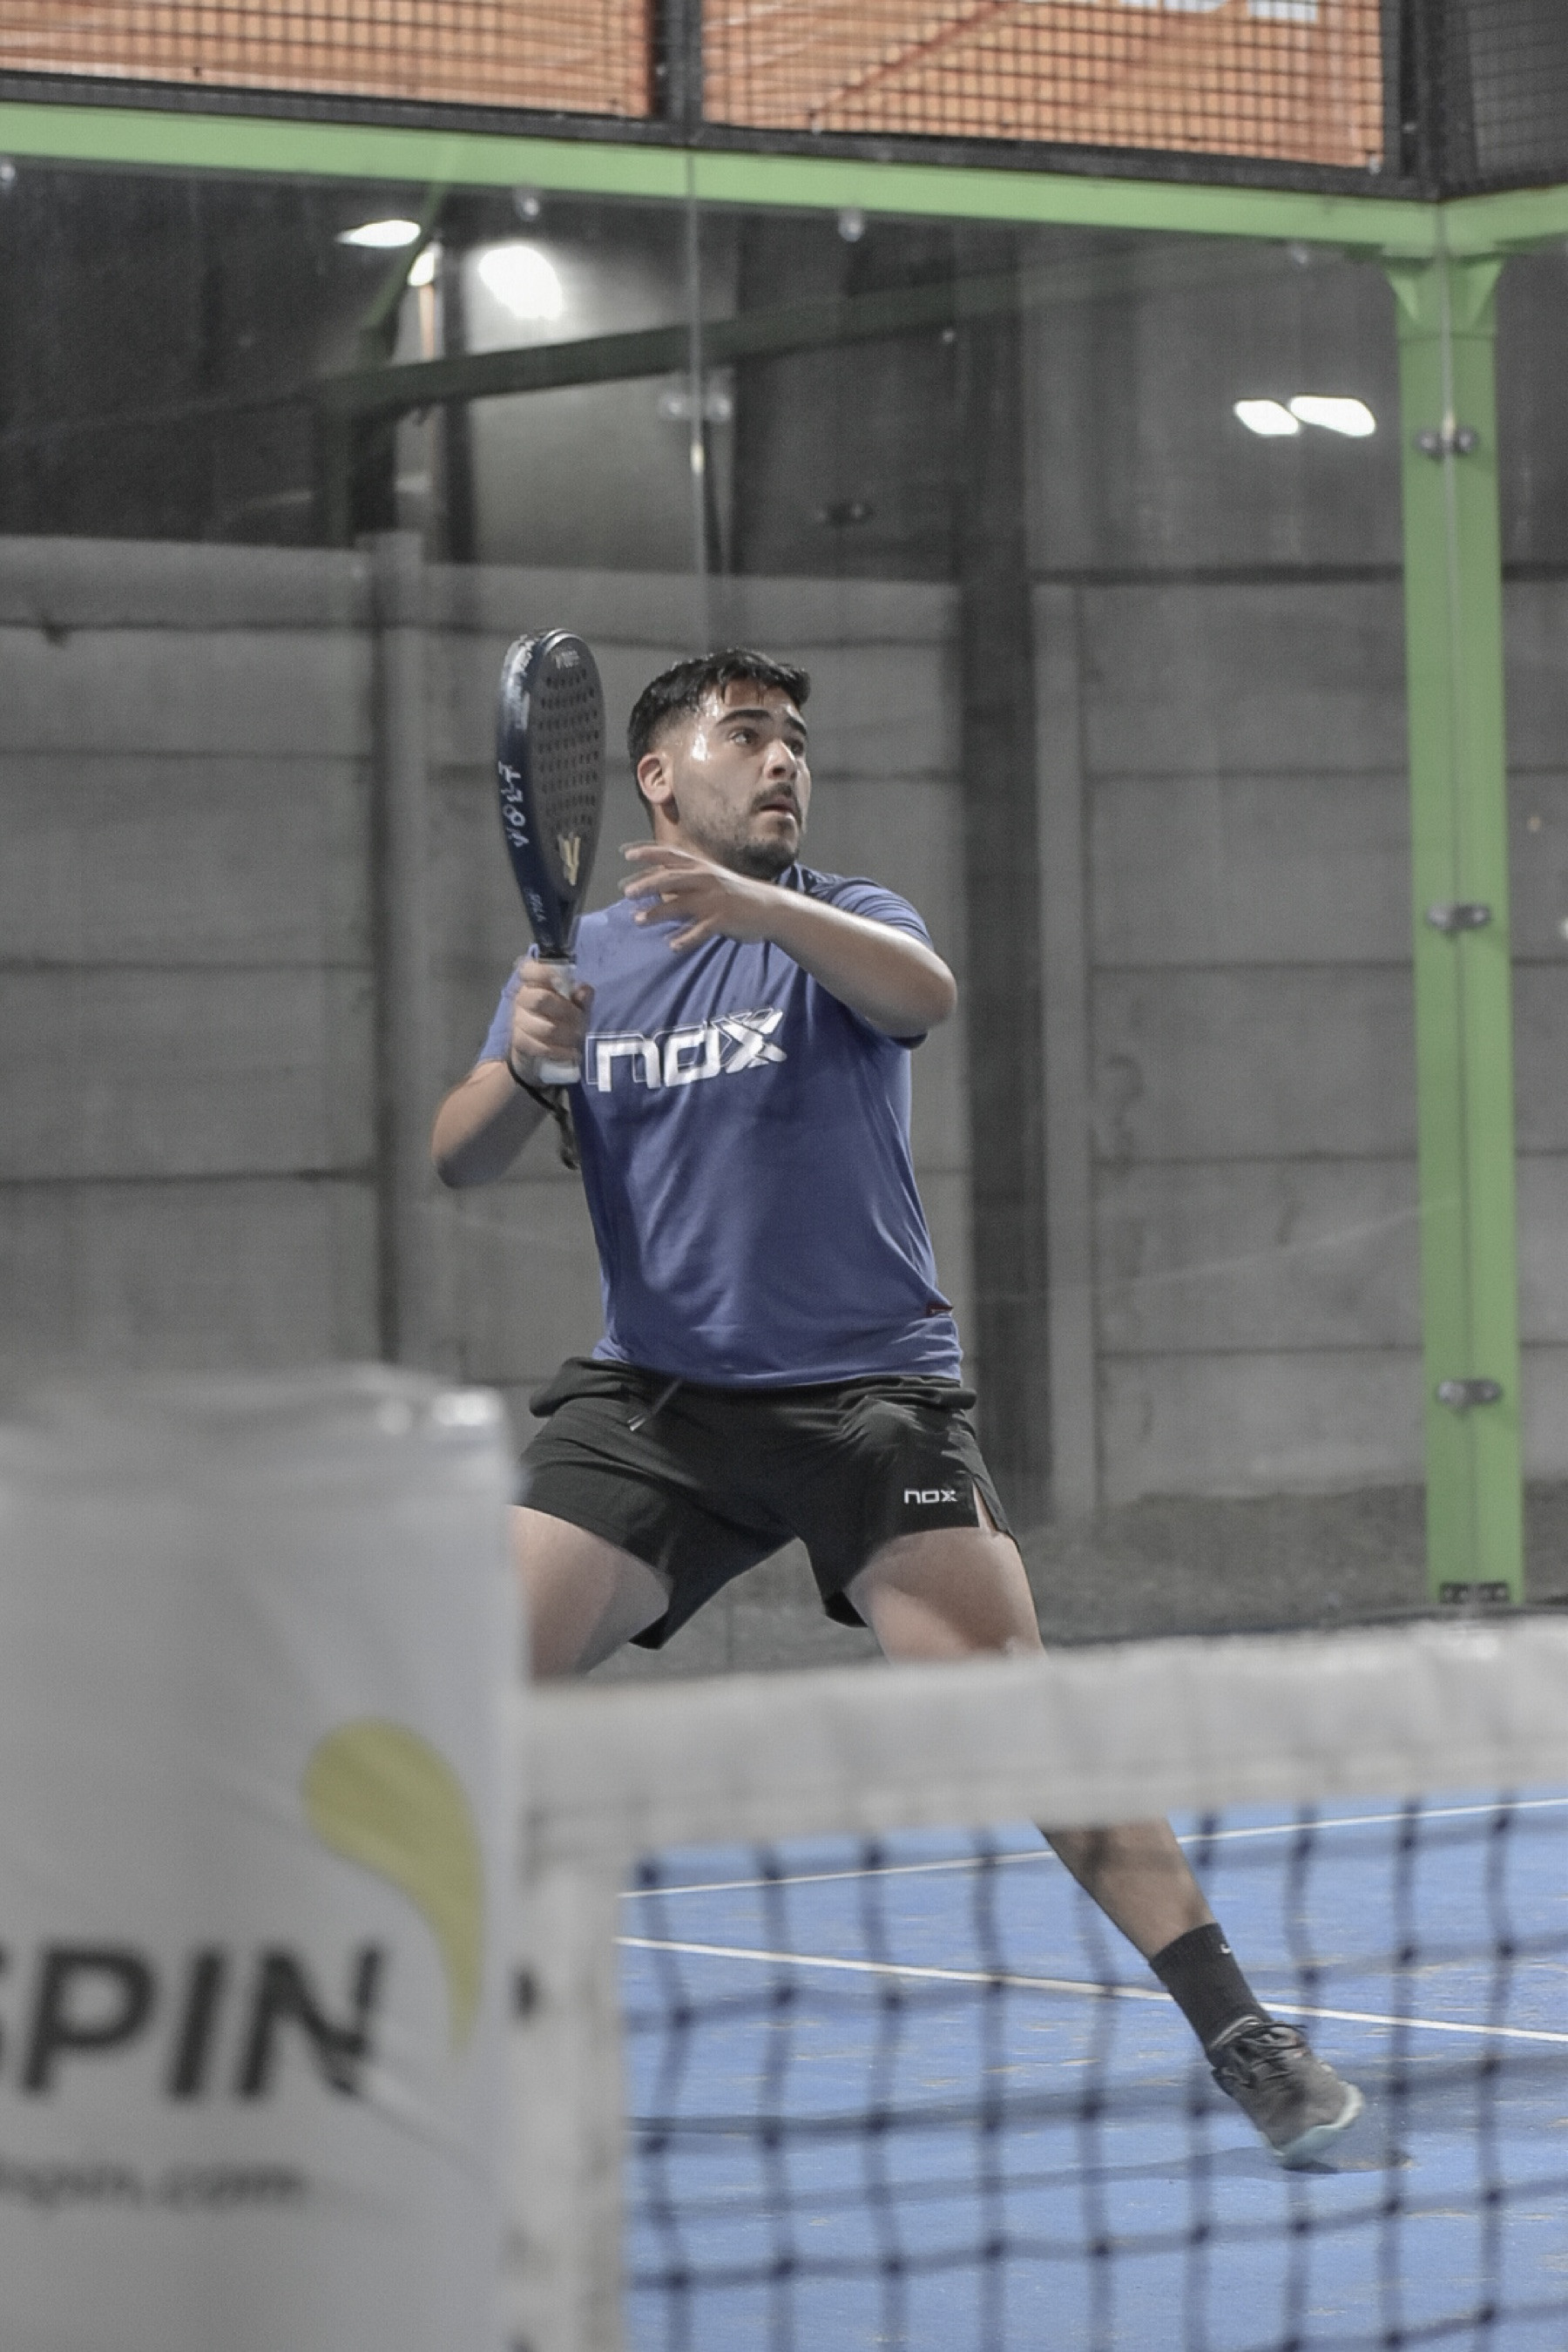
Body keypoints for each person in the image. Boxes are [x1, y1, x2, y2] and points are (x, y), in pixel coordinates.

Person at [430, 647, 1362, 2168]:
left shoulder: (848, 919)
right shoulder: (581, 963)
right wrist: (530, 1064)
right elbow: (455, 1157)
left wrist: (760, 914)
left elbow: (922, 995)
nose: (783, 760)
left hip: (870, 1403)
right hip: (656, 1406)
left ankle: (1243, 2034)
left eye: (796, 740)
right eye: (748, 734)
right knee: (459, 1692)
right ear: (658, 777)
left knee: (1018, 1723)